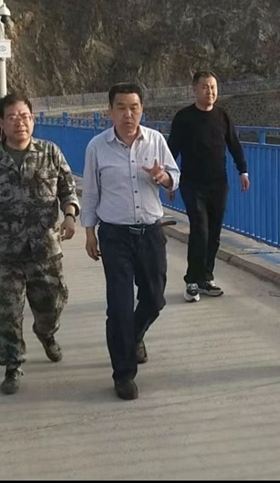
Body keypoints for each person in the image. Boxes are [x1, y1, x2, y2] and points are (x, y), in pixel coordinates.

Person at [0, 94, 79, 395]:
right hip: (8, 251)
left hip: (46, 248)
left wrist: (70, 216)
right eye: (13, 117)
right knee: (9, 311)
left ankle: (46, 333)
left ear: (33, 119)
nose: (21, 122)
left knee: (52, 304)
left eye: (26, 116)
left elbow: (68, 188)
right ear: (1, 123)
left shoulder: (50, 152)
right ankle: (12, 364)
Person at [81, 83, 180, 401]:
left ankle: (134, 336)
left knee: (155, 298)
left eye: (134, 107)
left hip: (150, 232)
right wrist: (89, 232)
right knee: (120, 306)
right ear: (110, 111)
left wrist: (162, 177)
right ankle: (123, 374)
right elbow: (91, 192)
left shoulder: (156, 140)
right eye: (121, 108)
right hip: (115, 236)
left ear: (142, 110)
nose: (128, 114)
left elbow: (174, 177)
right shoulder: (97, 147)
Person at [167, 71, 249, 302]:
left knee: (213, 233)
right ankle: (191, 280)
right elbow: (171, 149)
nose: (210, 91)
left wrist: (243, 170)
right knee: (200, 230)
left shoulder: (222, 116)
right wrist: (169, 180)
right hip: (192, 184)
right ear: (194, 89)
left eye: (213, 87)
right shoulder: (184, 117)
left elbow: (234, 145)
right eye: (205, 87)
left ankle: (206, 278)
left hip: (218, 184)